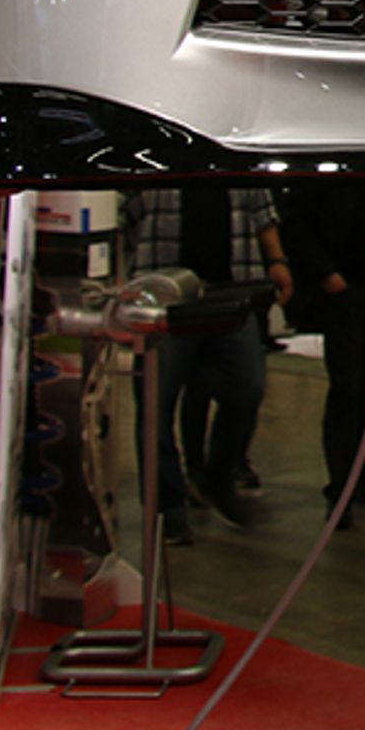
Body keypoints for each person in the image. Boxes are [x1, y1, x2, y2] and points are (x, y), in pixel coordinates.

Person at [125, 186, 287, 539]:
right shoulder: (155, 156)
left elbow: (262, 211)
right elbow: (128, 213)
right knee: (156, 406)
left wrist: (277, 260)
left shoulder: (236, 149)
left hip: (231, 294)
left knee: (247, 388)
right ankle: (167, 507)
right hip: (164, 299)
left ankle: (218, 475)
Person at [282, 181, 365, 526]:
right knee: (347, 390)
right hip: (342, 290)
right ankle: (341, 484)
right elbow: (298, 222)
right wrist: (325, 273)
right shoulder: (332, 168)